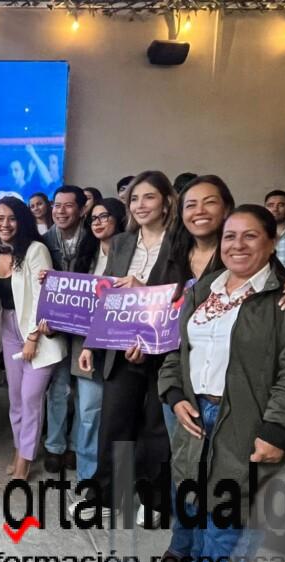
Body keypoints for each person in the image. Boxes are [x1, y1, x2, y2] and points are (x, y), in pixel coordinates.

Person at [159, 205, 285, 562]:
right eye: (230, 236)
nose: (237, 244)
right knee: (201, 512)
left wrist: (277, 430)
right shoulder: (204, 290)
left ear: (272, 243)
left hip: (250, 422)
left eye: (250, 236)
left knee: (233, 521)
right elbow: (178, 352)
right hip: (197, 418)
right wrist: (175, 395)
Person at [151, 176, 285, 438]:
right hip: (184, 396)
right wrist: (173, 392)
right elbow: (180, 341)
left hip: (244, 411)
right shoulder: (187, 269)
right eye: (191, 204)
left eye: (209, 202)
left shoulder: (277, 288)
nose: (199, 211)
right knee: (180, 461)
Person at [77, 171, 176, 523]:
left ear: (166, 202)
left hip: (163, 349)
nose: (140, 205)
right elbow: (109, 297)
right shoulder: (121, 243)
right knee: (114, 423)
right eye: (134, 199)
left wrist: (143, 288)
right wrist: (91, 343)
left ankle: (153, 499)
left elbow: (182, 295)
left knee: (156, 429)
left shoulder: (180, 243)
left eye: (149, 197)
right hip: (119, 348)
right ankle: (106, 495)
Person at [0, 197, 66, 480]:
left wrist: (32, 337)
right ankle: (19, 448)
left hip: (38, 333)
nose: (5, 224)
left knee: (31, 398)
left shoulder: (35, 250)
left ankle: (25, 459)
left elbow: (44, 296)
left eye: (11, 218)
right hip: (8, 328)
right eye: (0, 218)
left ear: (22, 220)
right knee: (15, 398)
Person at [57, 198, 126, 482]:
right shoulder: (85, 257)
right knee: (88, 411)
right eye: (93, 218)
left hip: (118, 347)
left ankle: (114, 475)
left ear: (119, 219)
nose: (97, 222)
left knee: (118, 415)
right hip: (85, 345)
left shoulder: (132, 256)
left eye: (104, 216)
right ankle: (87, 475)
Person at [41, 185, 88, 473]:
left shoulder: (94, 239)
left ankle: (75, 445)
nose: (61, 211)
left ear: (82, 209)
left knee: (83, 388)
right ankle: (54, 445)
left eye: (68, 205)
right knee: (58, 387)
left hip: (86, 328)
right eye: (56, 205)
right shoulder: (44, 241)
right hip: (55, 326)